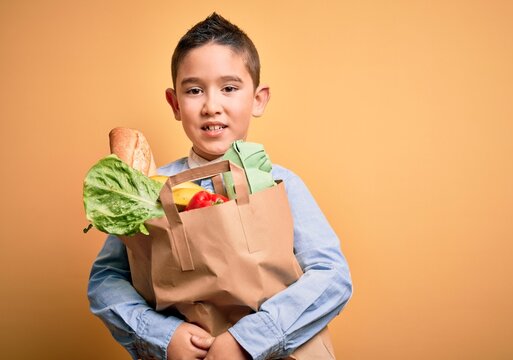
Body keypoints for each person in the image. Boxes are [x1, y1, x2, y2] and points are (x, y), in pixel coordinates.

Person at [88, 13, 352, 360]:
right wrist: (164, 335)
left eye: (229, 88)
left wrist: (249, 340)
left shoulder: (281, 184)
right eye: (195, 90)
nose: (212, 106)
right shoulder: (147, 190)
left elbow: (332, 276)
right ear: (175, 104)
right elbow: (106, 279)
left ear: (258, 99)